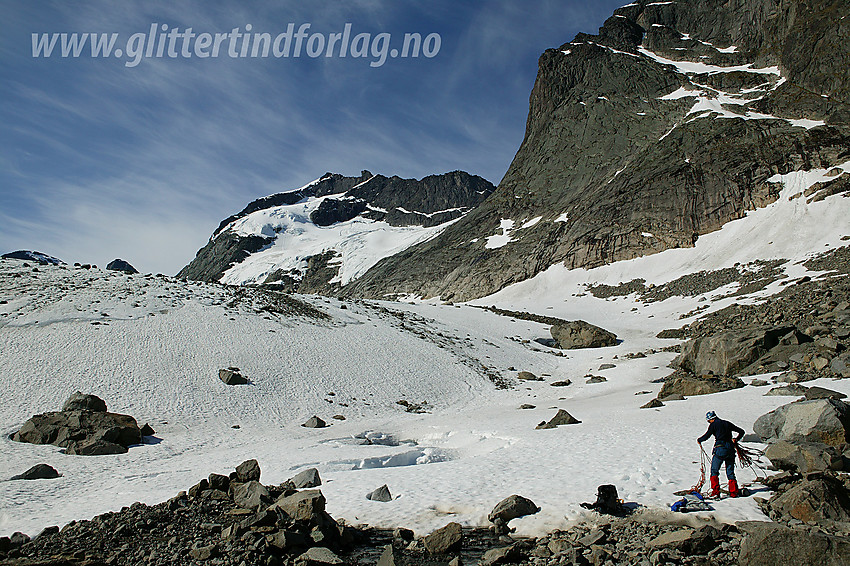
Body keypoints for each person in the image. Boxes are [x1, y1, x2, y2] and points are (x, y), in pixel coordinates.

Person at [697, 410, 745, 498]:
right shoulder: (727, 423)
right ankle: (734, 492)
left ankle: (715, 492)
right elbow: (741, 431)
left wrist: (699, 440)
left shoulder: (713, 425)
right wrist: (736, 439)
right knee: (730, 472)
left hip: (720, 449)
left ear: (710, 419)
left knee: (714, 470)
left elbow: (707, 436)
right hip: (730, 448)